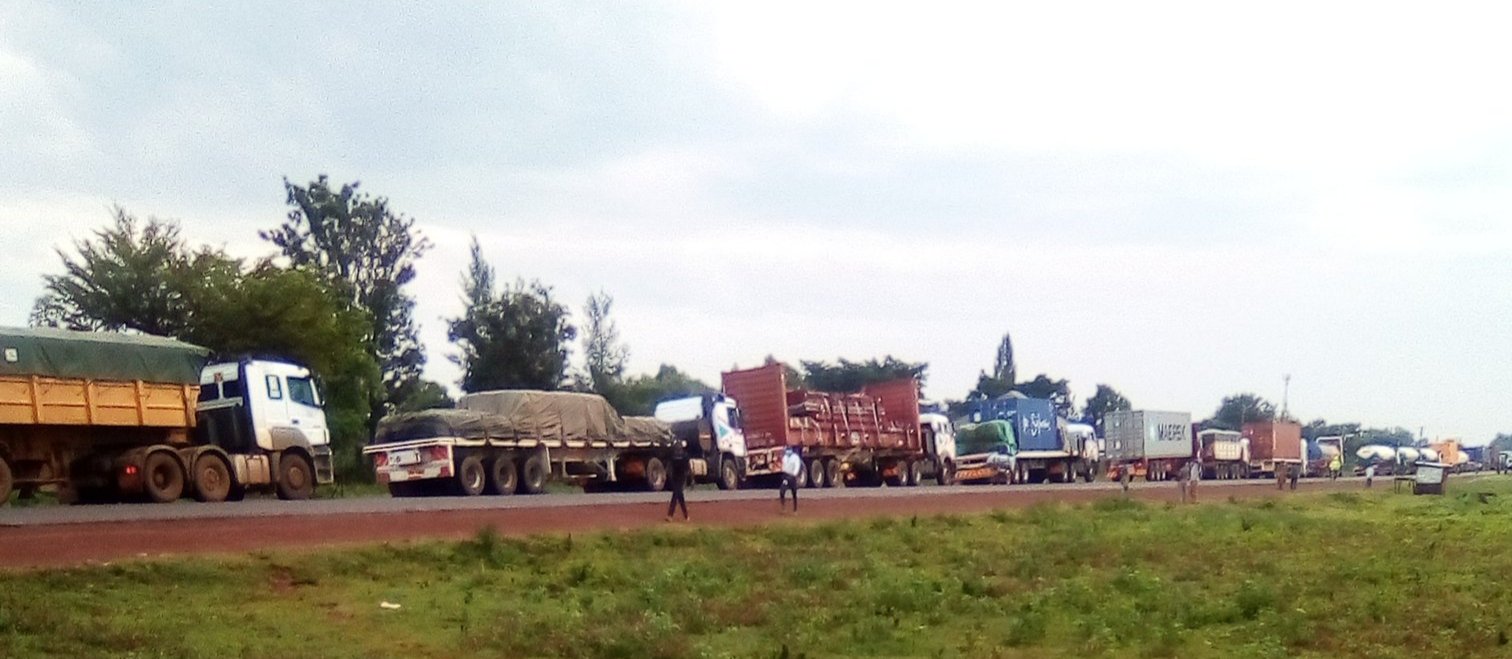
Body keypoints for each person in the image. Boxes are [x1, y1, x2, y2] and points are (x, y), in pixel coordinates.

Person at [665, 445, 691, 522]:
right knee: (679, 496)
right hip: (677, 477)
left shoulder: (677, 456)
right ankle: (686, 516)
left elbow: (688, 468)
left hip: (679, 477)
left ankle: (670, 515)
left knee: (676, 495)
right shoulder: (683, 456)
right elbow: (688, 468)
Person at [779, 446, 803, 513]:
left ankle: (795, 509)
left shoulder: (795, 457)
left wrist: (794, 474)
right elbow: (783, 467)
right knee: (782, 491)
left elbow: (797, 466)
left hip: (792, 477)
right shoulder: (785, 458)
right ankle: (783, 508)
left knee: (794, 493)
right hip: (786, 476)